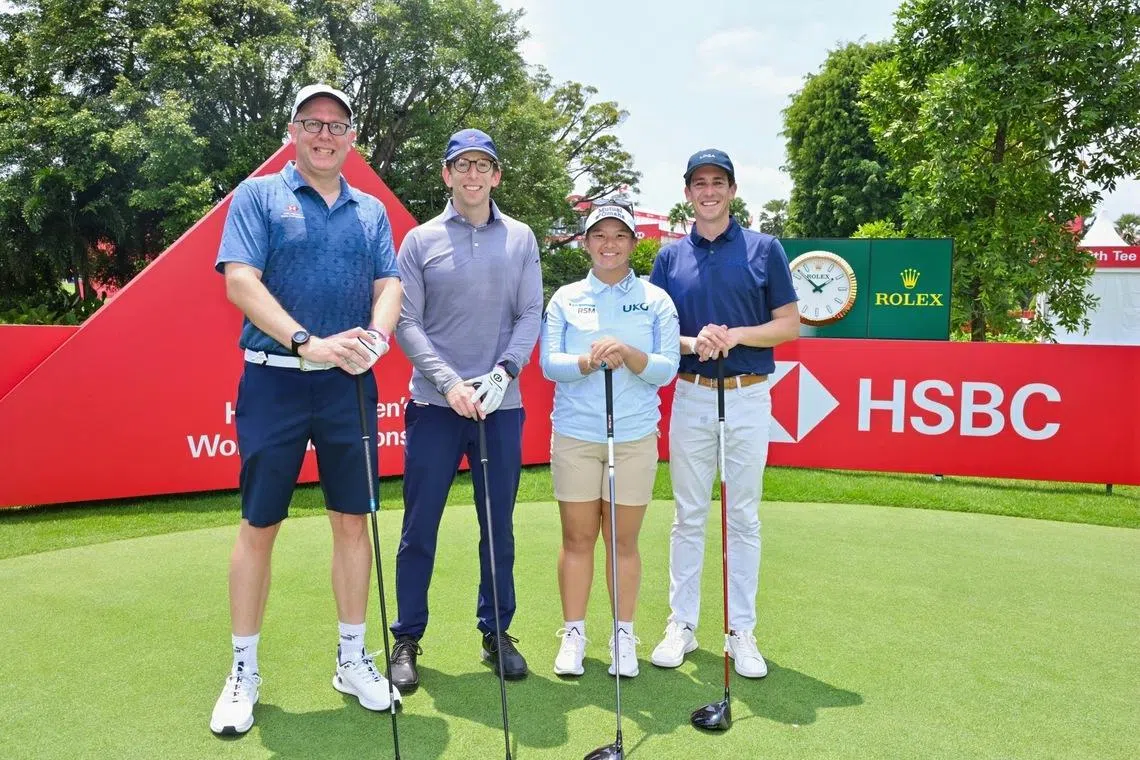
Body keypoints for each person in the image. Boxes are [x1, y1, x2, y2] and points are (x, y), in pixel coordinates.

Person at [209, 84, 404, 735]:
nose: (325, 134)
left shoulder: (370, 210)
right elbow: (240, 281)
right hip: (276, 381)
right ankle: (243, 671)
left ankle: (352, 660)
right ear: (293, 131)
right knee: (259, 525)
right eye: (312, 123)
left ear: (351, 138)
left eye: (337, 125)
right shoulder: (259, 195)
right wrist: (305, 341)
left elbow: (388, 284)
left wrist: (375, 339)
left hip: (348, 385)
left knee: (352, 522)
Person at [388, 128, 543, 692]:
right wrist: (451, 383)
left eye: (483, 166)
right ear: (447, 174)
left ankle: (496, 631)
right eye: (462, 165)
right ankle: (407, 636)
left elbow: (530, 313)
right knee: (419, 525)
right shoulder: (420, 240)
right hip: (436, 404)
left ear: (496, 176)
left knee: (497, 526)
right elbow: (406, 322)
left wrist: (504, 372)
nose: (472, 175)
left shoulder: (521, 238)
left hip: (501, 405)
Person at [647, 149, 799, 679]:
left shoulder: (764, 248)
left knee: (743, 516)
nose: (708, 191)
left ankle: (741, 631)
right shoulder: (670, 258)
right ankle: (682, 624)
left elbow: (788, 325)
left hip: (748, 394)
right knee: (688, 514)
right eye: (699, 183)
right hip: (692, 394)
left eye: (718, 182)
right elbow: (657, 334)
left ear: (732, 190)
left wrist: (734, 336)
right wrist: (698, 341)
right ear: (687, 192)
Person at [540, 200, 680, 678]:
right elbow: (549, 364)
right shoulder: (566, 298)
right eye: (599, 234)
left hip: (634, 436)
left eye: (620, 235)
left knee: (623, 541)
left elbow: (666, 369)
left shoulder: (656, 300)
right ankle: (574, 634)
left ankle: (623, 634)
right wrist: (588, 361)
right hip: (576, 435)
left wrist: (628, 353)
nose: (609, 244)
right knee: (577, 538)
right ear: (585, 242)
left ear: (634, 243)